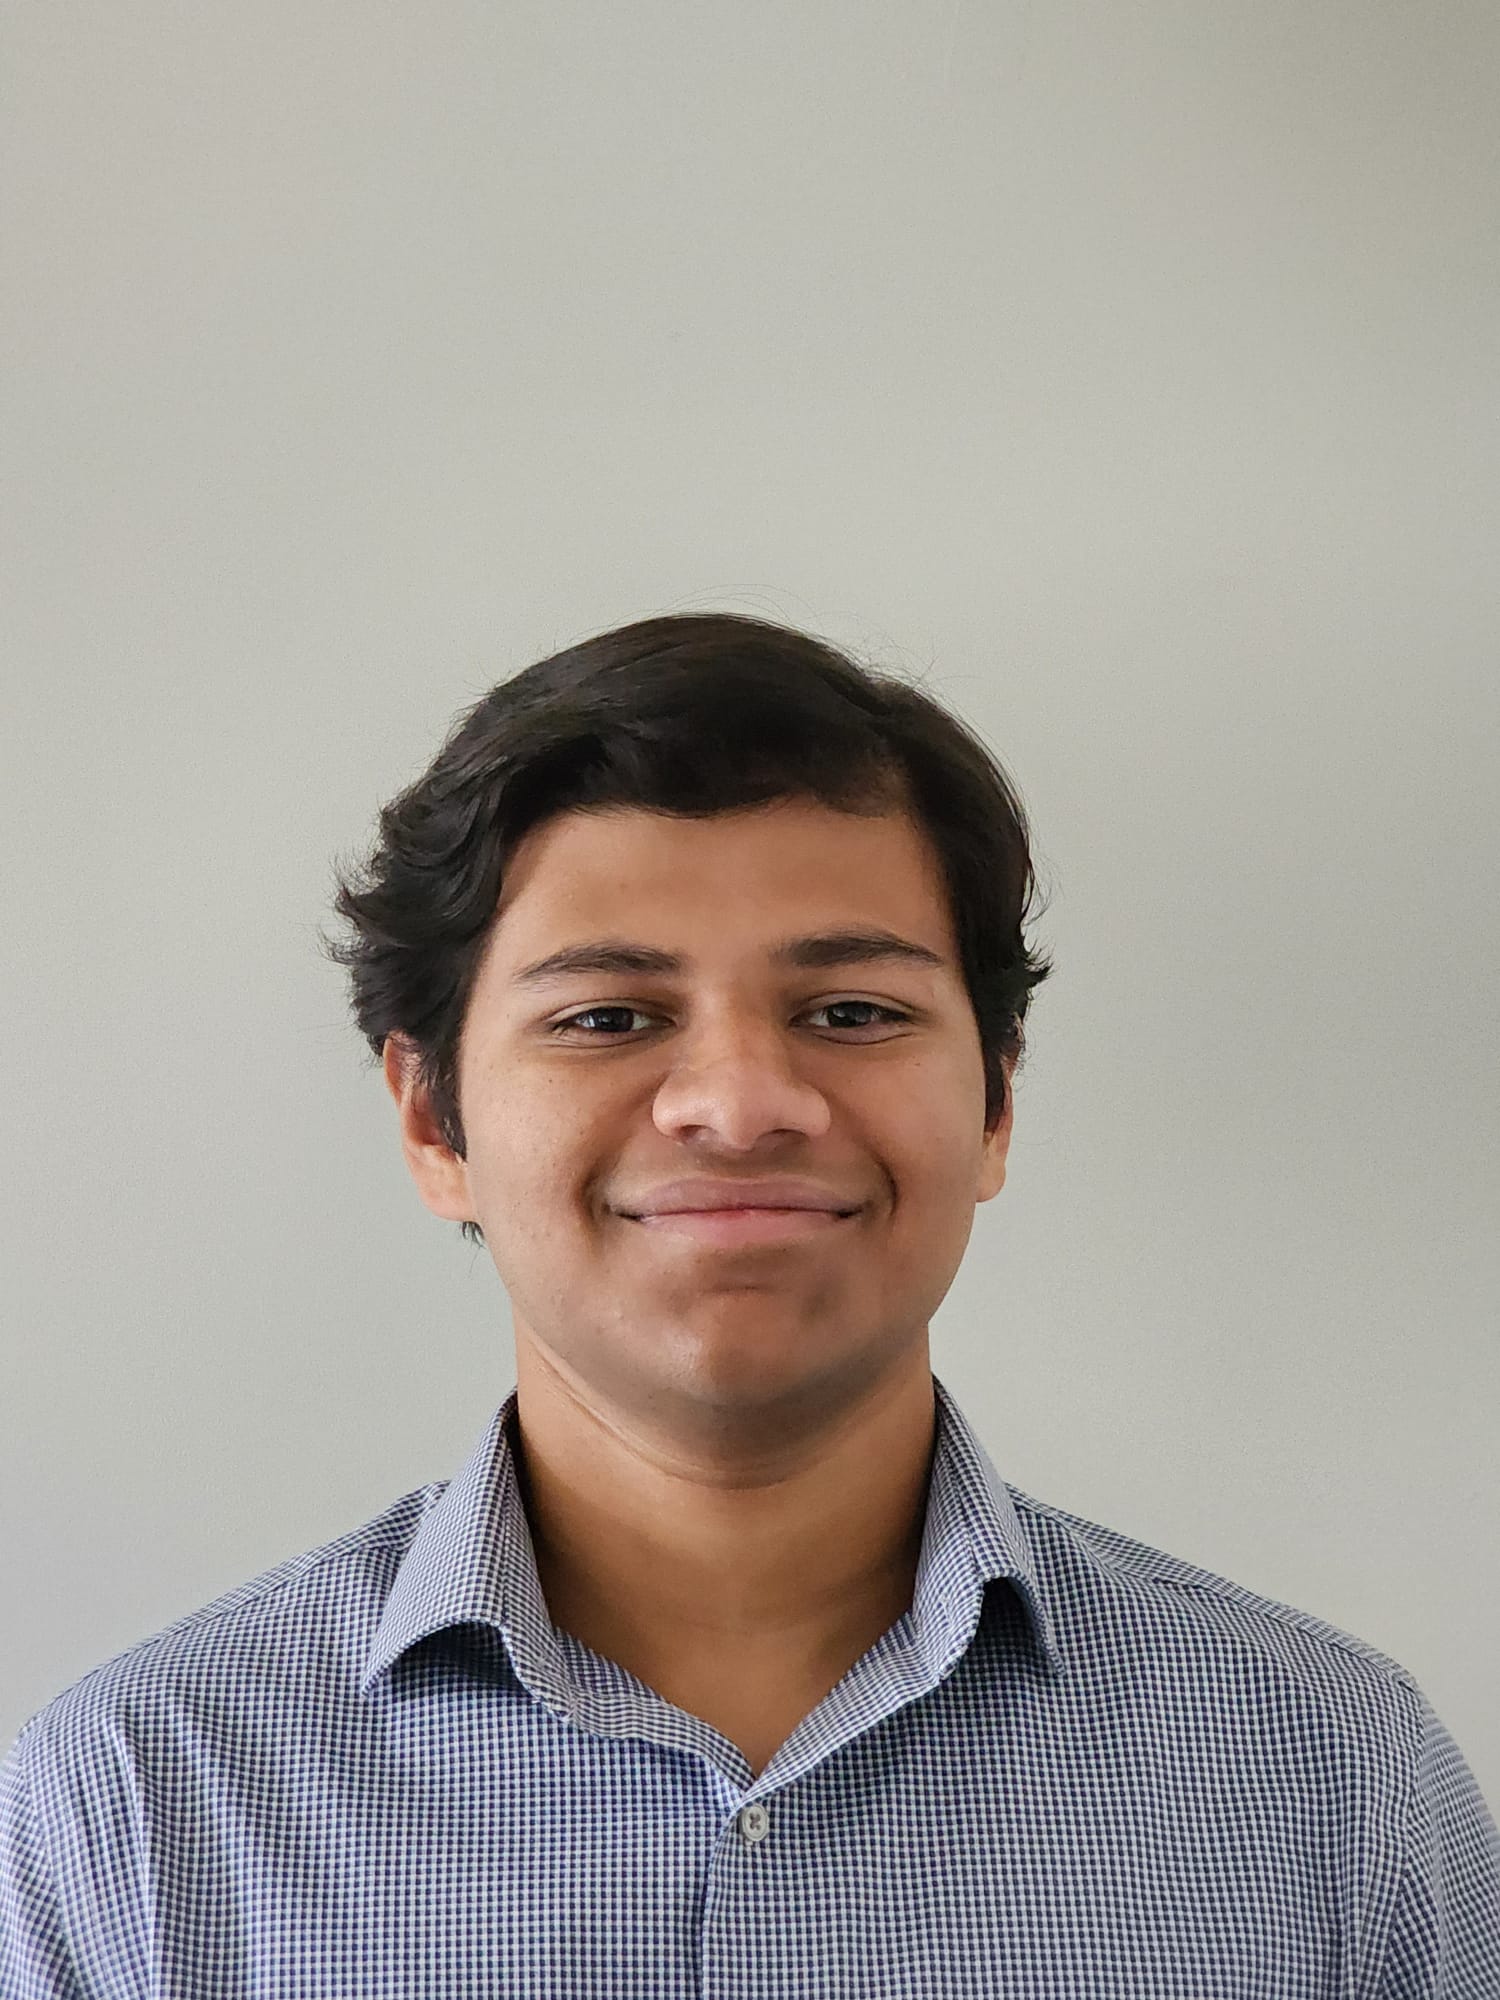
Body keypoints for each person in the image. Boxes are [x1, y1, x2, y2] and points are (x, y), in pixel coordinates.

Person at [2, 613, 1495, 1997]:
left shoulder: (1336, 1789)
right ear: (431, 1122)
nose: (739, 1104)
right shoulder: (141, 1808)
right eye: (607, 1018)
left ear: (993, 1106)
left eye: (852, 1011)